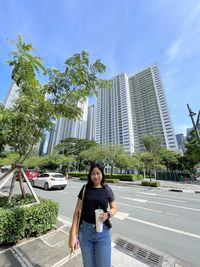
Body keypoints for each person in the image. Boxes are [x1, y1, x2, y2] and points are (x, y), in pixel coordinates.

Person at [69, 163, 117, 267]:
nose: (96, 176)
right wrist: (73, 236)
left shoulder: (107, 189)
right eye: (93, 174)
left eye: (98, 173)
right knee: (88, 264)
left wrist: (107, 215)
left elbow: (114, 208)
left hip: (103, 232)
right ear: (90, 175)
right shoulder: (85, 188)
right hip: (85, 232)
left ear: (102, 174)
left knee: (103, 264)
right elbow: (77, 211)